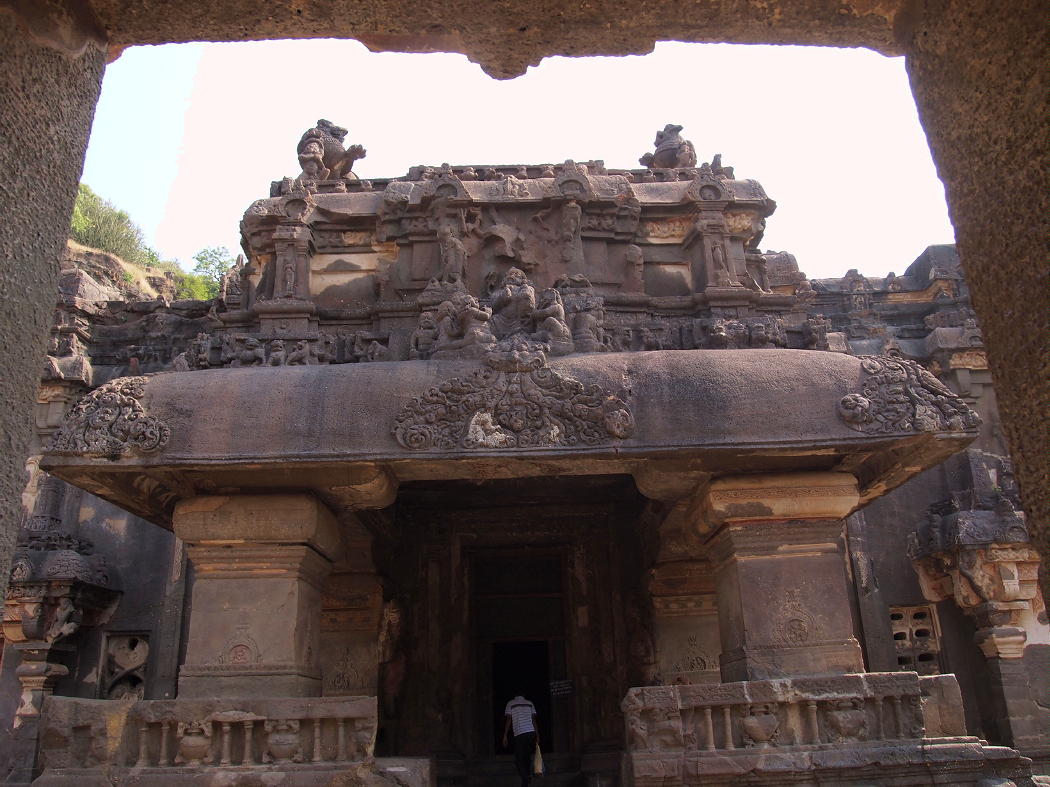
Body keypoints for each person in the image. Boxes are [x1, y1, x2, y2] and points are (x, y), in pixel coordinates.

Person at [502, 692, 538, 787]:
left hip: (520, 733)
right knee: (526, 756)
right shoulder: (530, 703)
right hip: (531, 732)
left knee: (519, 759)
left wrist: (505, 735)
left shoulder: (511, 703)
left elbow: (509, 720)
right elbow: (533, 720)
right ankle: (527, 776)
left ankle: (525, 779)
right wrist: (538, 735)